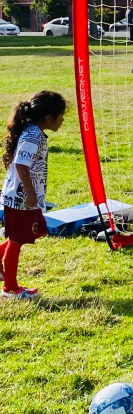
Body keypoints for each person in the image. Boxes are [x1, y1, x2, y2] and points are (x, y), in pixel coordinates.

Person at [1, 91, 67, 299]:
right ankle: (10, 289)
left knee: (37, 230)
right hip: (21, 199)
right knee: (16, 241)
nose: (62, 120)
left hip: (26, 198)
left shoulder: (33, 131)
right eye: (61, 115)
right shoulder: (33, 135)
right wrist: (30, 192)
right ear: (48, 117)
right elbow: (21, 164)